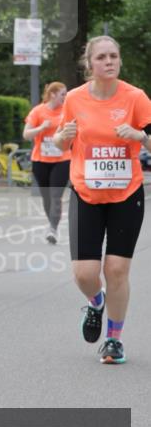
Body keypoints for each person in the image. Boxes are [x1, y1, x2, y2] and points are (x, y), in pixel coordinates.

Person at [54, 36, 151, 365]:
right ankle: (96, 303)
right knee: (84, 273)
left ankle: (114, 340)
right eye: (102, 57)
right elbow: (58, 140)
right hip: (86, 192)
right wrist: (61, 137)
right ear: (90, 64)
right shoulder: (75, 99)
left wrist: (141, 136)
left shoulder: (136, 98)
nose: (109, 62)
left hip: (126, 193)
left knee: (117, 269)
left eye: (114, 56)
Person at [23, 82, 70, 243]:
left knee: (56, 195)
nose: (65, 97)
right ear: (52, 95)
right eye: (63, 94)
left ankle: (53, 229)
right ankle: (51, 223)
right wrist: (41, 128)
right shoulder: (38, 111)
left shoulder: (66, 111)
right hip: (41, 160)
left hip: (62, 160)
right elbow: (26, 135)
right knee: (46, 197)